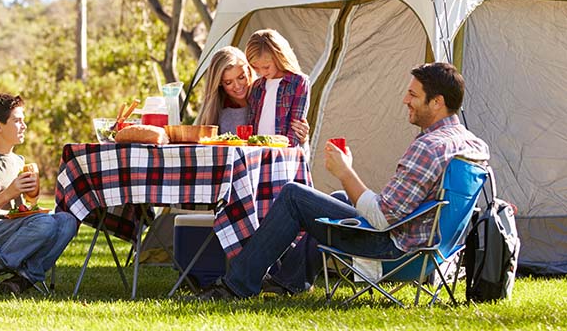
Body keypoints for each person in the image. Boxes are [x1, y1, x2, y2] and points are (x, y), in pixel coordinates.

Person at [197, 62, 490, 299]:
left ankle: (235, 286)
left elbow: (382, 219)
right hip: (432, 251)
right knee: (336, 198)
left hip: (393, 251)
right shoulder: (471, 145)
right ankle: (291, 280)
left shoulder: (430, 147)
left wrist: (345, 170)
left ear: (437, 102)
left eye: (413, 95)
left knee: (293, 195)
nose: (405, 100)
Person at [0, 93, 77, 295]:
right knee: (45, 223)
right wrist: (8, 193)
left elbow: (21, 209)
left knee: (67, 221)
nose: (24, 126)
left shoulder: (19, 161)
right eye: (17, 120)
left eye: (24, 120)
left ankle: (22, 280)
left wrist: (31, 201)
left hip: (14, 227)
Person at [197, 45, 310, 141]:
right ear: (219, 83)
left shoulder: (268, 96)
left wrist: (302, 138)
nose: (237, 86)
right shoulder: (218, 113)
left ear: (249, 71)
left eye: (241, 77)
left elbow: (297, 151)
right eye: (228, 82)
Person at [245, 29, 310, 148]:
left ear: (279, 57)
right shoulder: (257, 86)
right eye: (256, 68)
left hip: (283, 154)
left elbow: (295, 126)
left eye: (266, 67)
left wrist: (285, 153)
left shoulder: (298, 82)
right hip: (257, 153)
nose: (261, 72)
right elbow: (251, 123)